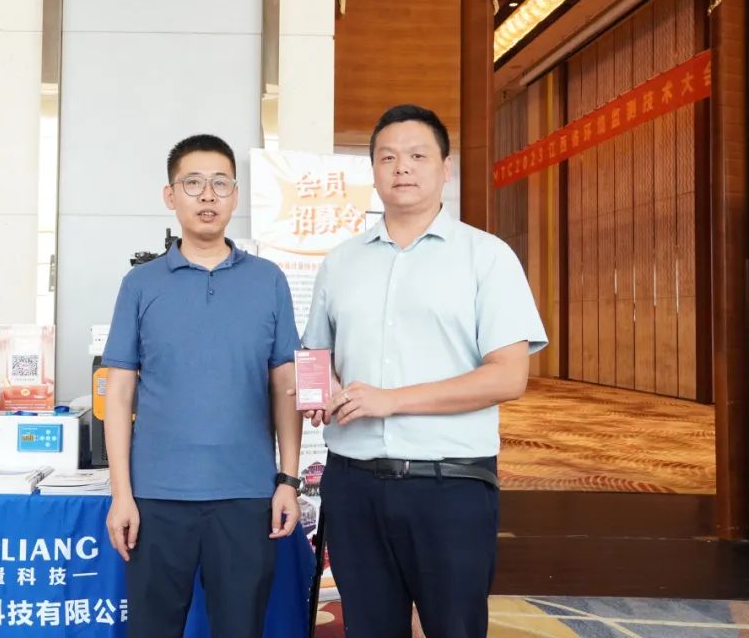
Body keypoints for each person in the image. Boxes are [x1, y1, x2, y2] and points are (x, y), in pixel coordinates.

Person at [302, 105, 548, 638]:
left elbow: (508, 376)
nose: (402, 168)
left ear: (445, 168)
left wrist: (391, 399)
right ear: (373, 170)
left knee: (454, 628)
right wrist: (320, 391)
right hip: (354, 485)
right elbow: (314, 357)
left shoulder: (487, 257)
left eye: (417, 155)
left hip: (449, 486)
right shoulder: (340, 262)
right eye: (388, 157)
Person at [101, 133, 304, 638]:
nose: (207, 195)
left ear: (236, 196)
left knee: (241, 628)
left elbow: (286, 385)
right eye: (192, 183)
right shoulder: (140, 284)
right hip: (156, 498)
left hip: (247, 497)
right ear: (170, 196)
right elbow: (119, 393)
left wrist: (288, 479)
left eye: (220, 183)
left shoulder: (268, 280)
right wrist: (122, 494)